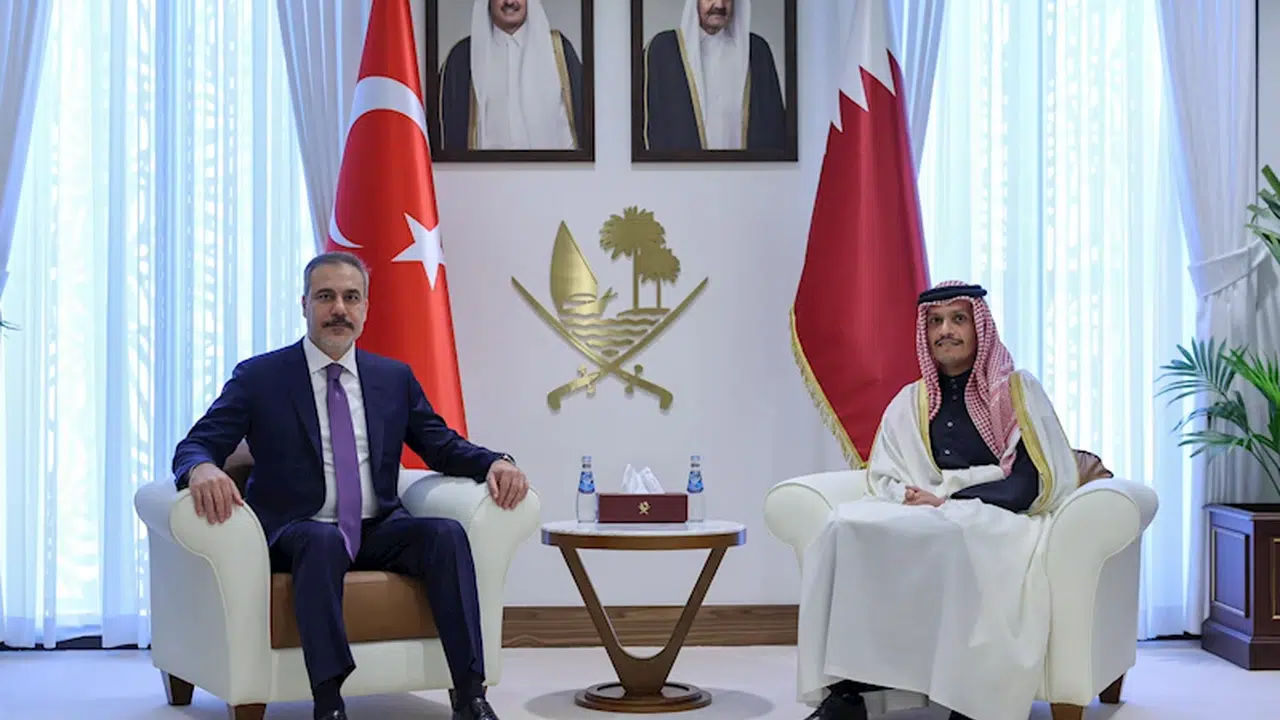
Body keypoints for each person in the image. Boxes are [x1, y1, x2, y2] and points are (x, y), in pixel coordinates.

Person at [171, 251, 528, 720]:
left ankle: (470, 695)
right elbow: (197, 443)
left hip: (376, 527)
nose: (339, 308)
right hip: (296, 529)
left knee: (445, 534)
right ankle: (329, 703)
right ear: (304, 305)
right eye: (326, 296)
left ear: (365, 308)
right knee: (320, 541)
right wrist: (201, 468)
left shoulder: (392, 379)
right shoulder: (260, 377)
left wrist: (496, 462)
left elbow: (441, 446)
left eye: (351, 297)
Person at [795, 281, 1081, 720]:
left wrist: (950, 500)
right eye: (935, 322)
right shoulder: (911, 400)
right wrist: (909, 496)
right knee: (843, 526)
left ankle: (970, 697)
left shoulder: (1016, 392)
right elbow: (886, 472)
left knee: (949, 532)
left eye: (958, 319)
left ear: (978, 327)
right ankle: (847, 692)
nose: (946, 330)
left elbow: (1028, 483)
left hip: (998, 511)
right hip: (927, 505)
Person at [439, 0, 586, 151]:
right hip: (485, 166)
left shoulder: (559, 51)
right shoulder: (462, 58)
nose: (509, 2)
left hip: (552, 165)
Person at [644, 0, 786, 151]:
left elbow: (774, 126)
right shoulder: (662, 50)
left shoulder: (757, 50)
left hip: (745, 166)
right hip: (684, 165)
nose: (720, 5)